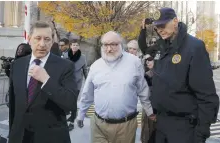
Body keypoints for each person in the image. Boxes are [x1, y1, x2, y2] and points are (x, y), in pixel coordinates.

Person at [150, 7, 219, 143]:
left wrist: (201, 132)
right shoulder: (162, 46)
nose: (159, 30)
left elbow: (206, 95)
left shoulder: (194, 47)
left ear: (175, 21)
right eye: (156, 27)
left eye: (162, 25)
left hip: (184, 126)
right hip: (162, 124)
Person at [77, 31, 155, 143]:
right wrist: (81, 114)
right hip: (99, 126)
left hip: (126, 126)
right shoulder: (96, 66)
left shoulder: (134, 63)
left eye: (113, 44)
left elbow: (142, 89)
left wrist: (149, 111)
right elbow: (87, 93)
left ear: (121, 45)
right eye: (105, 45)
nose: (109, 49)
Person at [8, 21, 77, 143]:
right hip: (20, 137)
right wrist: (12, 134)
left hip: (51, 137)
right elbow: (14, 105)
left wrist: (46, 80)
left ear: (52, 41)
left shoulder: (66, 66)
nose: (42, 44)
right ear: (29, 39)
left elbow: (70, 102)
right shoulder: (17, 65)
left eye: (47, 39)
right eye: (38, 38)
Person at [62, 39, 88, 131]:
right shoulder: (65, 56)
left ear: (79, 47)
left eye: (77, 45)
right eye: (73, 45)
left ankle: (72, 121)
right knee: (67, 100)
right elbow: (62, 69)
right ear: (70, 46)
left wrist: (88, 80)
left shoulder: (83, 57)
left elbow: (85, 69)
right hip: (67, 82)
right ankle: (69, 116)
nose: (75, 46)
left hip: (77, 82)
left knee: (73, 101)